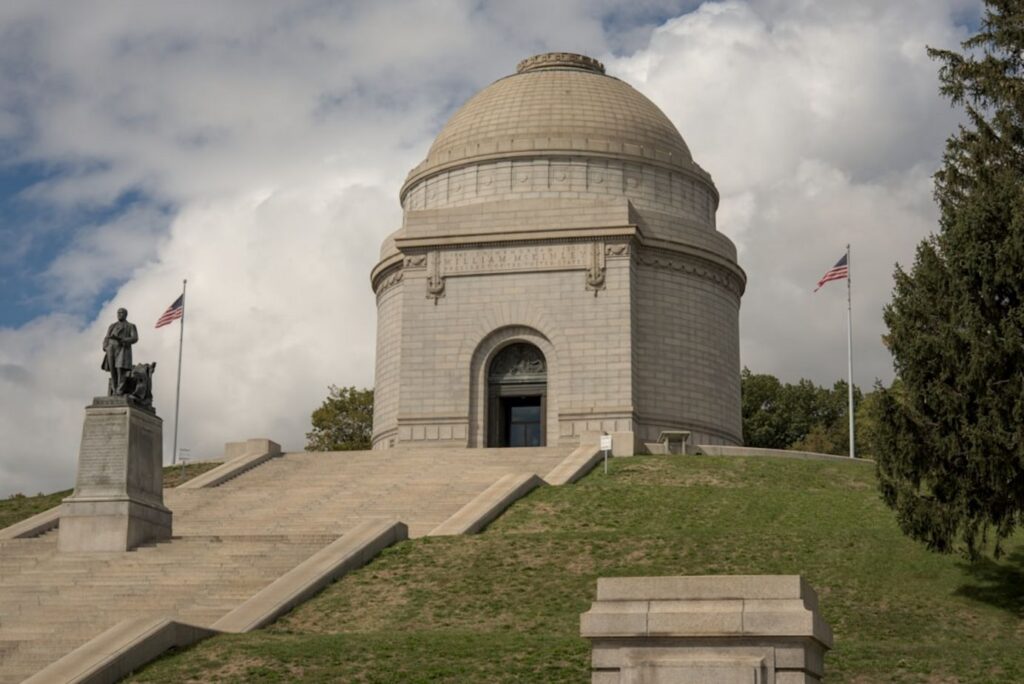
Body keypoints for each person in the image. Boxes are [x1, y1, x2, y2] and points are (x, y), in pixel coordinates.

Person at [101, 308, 139, 395]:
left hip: (123, 348)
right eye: (118, 313)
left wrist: (123, 339)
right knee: (112, 370)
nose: (119, 314)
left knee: (120, 369)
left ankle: (120, 390)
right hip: (111, 348)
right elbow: (107, 337)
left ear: (125, 314)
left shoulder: (130, 326)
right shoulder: (112, 326)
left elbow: (135, 338)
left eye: (121, 313)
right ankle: (114, 390)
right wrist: (105, 346)